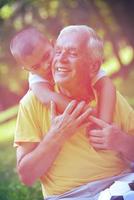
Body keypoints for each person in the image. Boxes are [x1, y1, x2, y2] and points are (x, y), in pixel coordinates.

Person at [14, 25, 134, 200]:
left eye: (72, 53)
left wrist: (121, 140)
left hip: (121, 182)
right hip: (71, 195)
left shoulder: (106, 92)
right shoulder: (32, 102)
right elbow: (26, 176)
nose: (59, 59)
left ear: (93, 66)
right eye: (60, 51)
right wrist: (56, 135)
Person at [10, 27, 116, 122]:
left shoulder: (79, 64)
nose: (45, 66)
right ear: (28, 70)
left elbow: (106, 84)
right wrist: (90, 113)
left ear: (54, 45)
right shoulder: (36, 79)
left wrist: (104, 122)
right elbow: (48, 99)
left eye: (46, 56)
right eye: (36, 67)